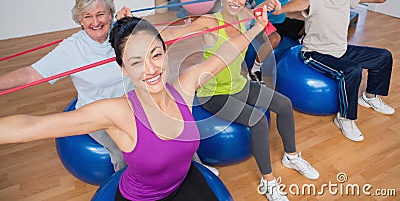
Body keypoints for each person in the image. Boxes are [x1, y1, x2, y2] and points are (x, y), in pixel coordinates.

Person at [0, 11, 271, 200]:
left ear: (165, 54)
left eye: (156, 55)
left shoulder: (184, 88)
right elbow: (33, 125)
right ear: (124, 69)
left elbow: (224, 55)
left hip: (186, 181)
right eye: (136, 62)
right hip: (143, 198)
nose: (151, 69)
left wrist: (257, 28)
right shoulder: (117, 112)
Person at [118, 0, 319, 201]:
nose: (236, 1)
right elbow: (173, 32)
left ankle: (291, 156)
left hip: (239, 84)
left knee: (284, 104)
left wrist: (271, 3)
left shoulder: (244, 17)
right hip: (213, 92)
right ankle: (268, 182)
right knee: (258, 120)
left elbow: (257, 12)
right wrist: (134, 23)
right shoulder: (210, 22)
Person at [0, 0, 131, 171]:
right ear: (79, 19)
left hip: (131, 104)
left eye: (100, 14)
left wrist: (135, 25)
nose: (95, 22)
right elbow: (30, 73)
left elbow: (159, 38)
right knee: (125, 151)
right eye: (87, 16)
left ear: (111, 14)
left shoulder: (124, 32)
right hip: (97, 114)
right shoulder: (71, 48)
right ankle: (128, 190)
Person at [273, 0, 394, 142]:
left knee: (383, 56)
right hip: (314, 53)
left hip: (340, 49)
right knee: (353, 71)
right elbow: (302, 3)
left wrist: (380, 0)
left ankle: (369, 96)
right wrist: (281, 9)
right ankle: (344, 118)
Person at [204, 0, 314, 84]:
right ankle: (254, 70)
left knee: (306, 25)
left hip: (281, 19)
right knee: (275, 39)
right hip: (265, 20)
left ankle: (304, 53)